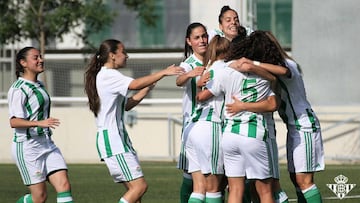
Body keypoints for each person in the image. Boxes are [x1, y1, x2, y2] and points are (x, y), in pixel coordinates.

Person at [84, 39, 184, 203]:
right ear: (112, 55)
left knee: (135, 195)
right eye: (123, 52)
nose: (127, 55)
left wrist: (151, 84)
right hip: (113, 141)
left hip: (117, 140)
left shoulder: (106, 76)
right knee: (139, 187)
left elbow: (128, 104)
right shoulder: (109, 75)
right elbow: (135, 84)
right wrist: (163, 72)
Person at [250, 31, 325, 203]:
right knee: (295, 178)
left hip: (304, 124)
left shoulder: (286, 63)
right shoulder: (278, 64)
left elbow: (284, 71)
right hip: (294, 126)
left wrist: (253, 63)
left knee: (304, 180)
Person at [226, 31, 289, 203]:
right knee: (268, 189)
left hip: (229, 133)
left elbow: (203, 94)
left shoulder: (225, 69)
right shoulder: (264, 76)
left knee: (235, 190)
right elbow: (272, 104)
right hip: (257, 133)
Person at [8, 47, 73, 203]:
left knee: (64, 186)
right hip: (28, 147)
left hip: (47, 144)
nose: (41, 60)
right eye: (35, 58)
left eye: (41, 57)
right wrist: (39, 123)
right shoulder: (18, 89)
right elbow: (14, 121)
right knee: (40, 198)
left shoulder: (40, 85)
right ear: (23, 63)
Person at [183, 35, 231, 203]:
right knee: (213, 188)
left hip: (192, 128)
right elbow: (202, 96)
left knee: (199, 188)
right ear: (227, 51)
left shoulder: (207, 68)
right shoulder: (225, 69)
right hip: (210, 127)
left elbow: (198, 96)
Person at [176, 22, 208, 203]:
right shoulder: (188, 64)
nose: (202, 40)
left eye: (204, 36)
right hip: (193, 125)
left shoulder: (213, 60)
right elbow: (178, 80)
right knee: (193, 178)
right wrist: (189, 74)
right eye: (197, 37)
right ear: (189, 42)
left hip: (212, 124)